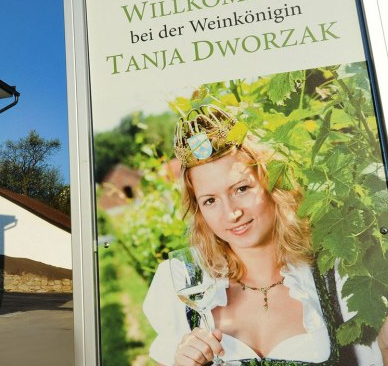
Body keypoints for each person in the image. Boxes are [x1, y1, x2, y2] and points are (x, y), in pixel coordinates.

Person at [142, 104, 387, 365]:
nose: (231, 213)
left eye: (241, 189)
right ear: (199, 211)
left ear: (272, 183)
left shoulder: (335, 271)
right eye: (210, 200)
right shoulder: (184, 282)